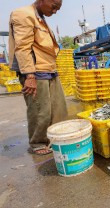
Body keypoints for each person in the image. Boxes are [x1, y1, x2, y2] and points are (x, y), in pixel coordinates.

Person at [8, 0, 67, 155]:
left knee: (59, 109)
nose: (55, 11)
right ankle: (38, 142)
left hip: (49, 69)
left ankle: (54, 139)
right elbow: (22, 47)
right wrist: (29, 76)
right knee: (41, 111)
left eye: (58, 9)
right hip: (35, 71)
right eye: (54, 6)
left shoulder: (40, 17)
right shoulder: (24, 14)